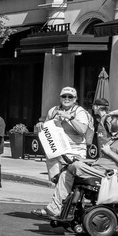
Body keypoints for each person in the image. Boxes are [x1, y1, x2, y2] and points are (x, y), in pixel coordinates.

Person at [48, 113, 118, 214]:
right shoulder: (114, 139)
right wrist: (84, 160)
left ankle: (59, 179)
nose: (110, 122)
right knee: (67, 172)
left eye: (112, 120)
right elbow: (102, 161)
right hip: (97, 169)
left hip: (109, 174)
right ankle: (55, 208)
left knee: (75, 166)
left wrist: (109, 152)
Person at [32, 87, 95, 218]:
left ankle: (58, 208)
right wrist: (39, 125)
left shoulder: (79, 112)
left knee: (66, 178)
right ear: (60, 98)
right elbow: (46, 126)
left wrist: (70, 118)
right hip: (55, 151)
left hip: (74, 151)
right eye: (64, 96)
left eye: (70, 97)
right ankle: (64, 207)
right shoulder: (53, 110)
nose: (67, 99)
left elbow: (83, 130)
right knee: (56, 180)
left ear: (75, 99)